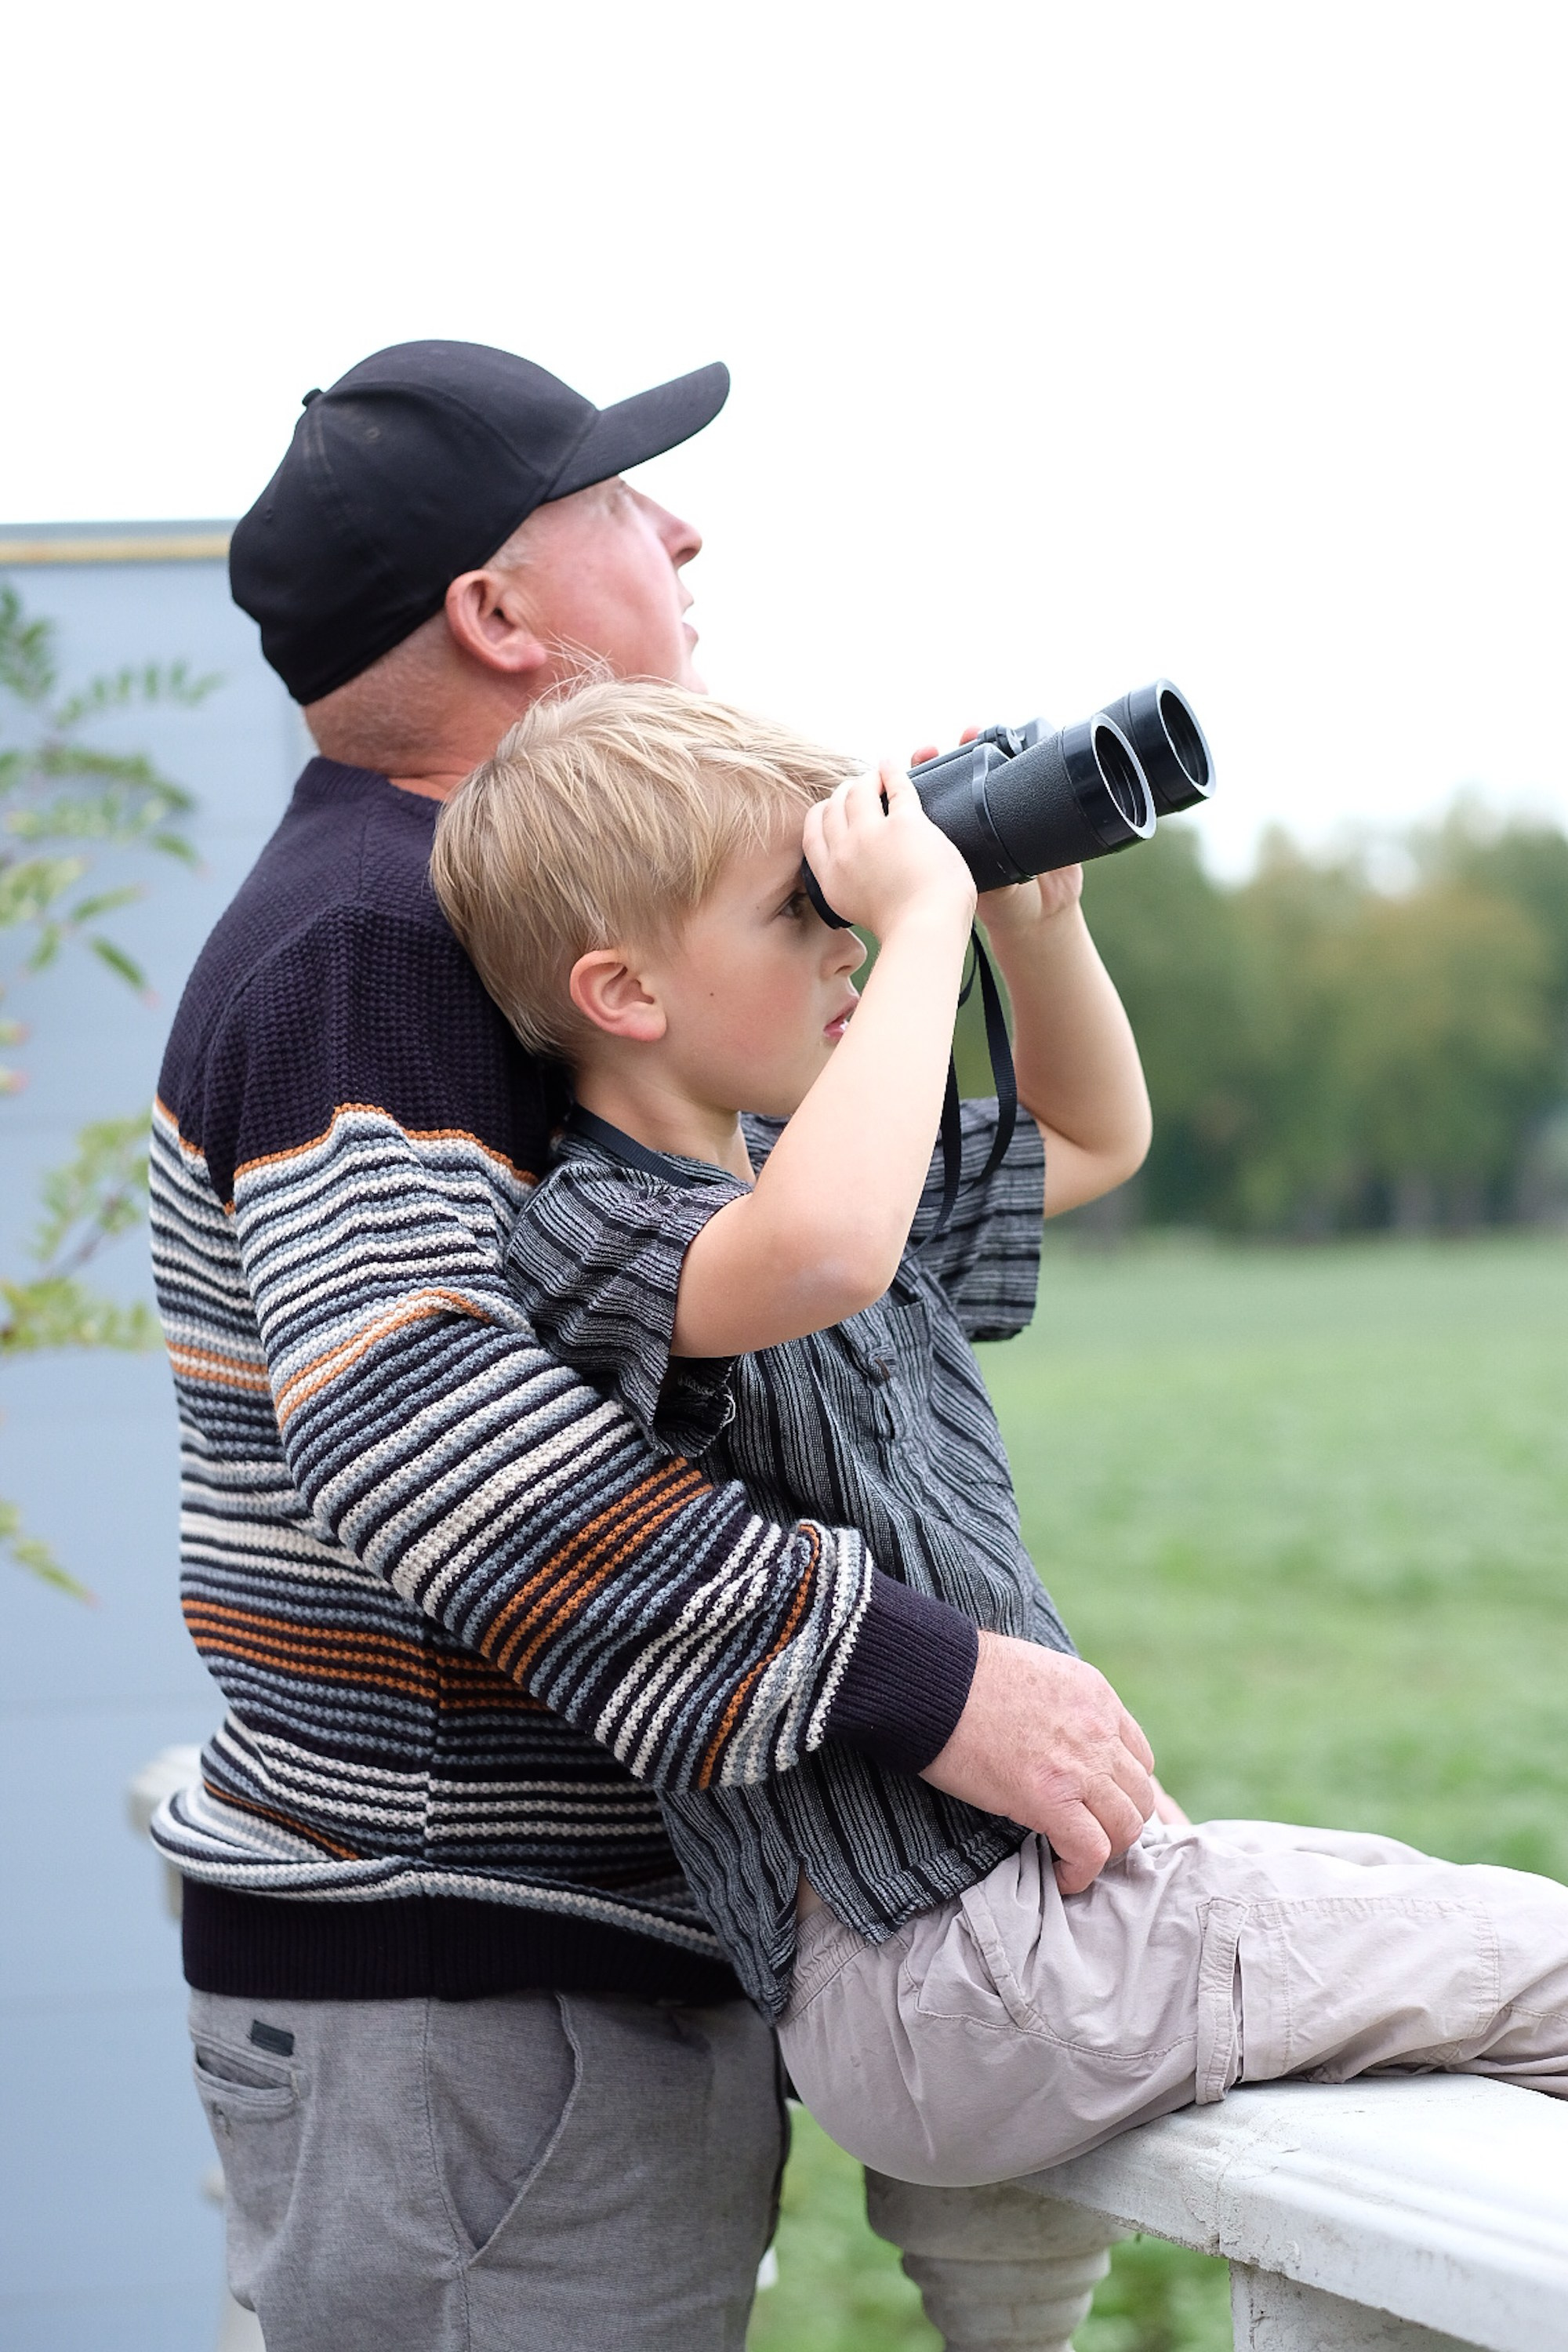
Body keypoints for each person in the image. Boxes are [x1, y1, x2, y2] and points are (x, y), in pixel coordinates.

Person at [148, 339, 1160, 2352]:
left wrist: (1002, 922)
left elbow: (997, 1183)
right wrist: (918, 1676)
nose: (685, 529)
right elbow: (424, 1444)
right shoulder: (383, 943)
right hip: (465, 1994)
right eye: (618, 503)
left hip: (504, 1993)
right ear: (498, 615)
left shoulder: (529, 949)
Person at [431, 678, 1568, 2195]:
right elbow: (824, 1249)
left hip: (1026, 1934)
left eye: (845, 909)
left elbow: (1095, 1140)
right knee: (1541, 1966)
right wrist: (921, 925)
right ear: (625, 995)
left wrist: (1033, 928)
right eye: (798, 914)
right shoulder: (604, 1231)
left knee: (1462, 1916)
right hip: (941, 1977)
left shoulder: (814, 1165)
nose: (842, 941)